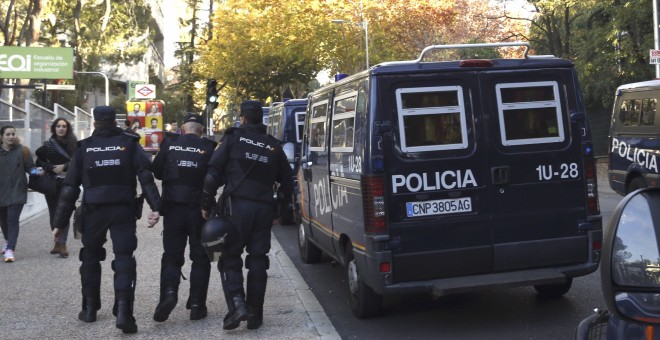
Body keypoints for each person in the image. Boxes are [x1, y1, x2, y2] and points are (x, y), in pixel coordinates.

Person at [51, 106, 161, 334]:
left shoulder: (85, 147)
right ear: (115, 121)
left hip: (94, 211)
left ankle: (90, 309)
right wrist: (156, 207)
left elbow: (70, 187)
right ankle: (124, 312)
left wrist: (59, 223)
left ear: (95, 122)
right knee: (124, 259)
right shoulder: (130, 143)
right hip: (123, 209)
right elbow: (146, 177)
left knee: (90, 256)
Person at [201, 100, 293, 330]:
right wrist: (278, 211)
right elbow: (288, 182)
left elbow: (213, 172)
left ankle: (237, 304)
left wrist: (206, 202)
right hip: (263, 209)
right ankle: (255, 315)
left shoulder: (232, 138)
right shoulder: (273, 146)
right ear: (260, 119)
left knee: (228, 256)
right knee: (258, 260)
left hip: (236, 208)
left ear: (242, 118)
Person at [151, 113, 217, 322]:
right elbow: (215, 178)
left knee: (171, 256)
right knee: (200, 257)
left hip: (173, 210)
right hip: (200, 212)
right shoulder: (209, 147)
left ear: (183, 128)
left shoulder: (170, 143)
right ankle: (197, 304)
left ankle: (169, 294)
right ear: (201, 130)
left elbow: (158, 172)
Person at [0, 125, 44, 262]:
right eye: (8, 134)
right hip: (1, 191)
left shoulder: (23, 151)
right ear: (1, 137)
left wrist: (36, 171)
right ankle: (7, 240)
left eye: (13, 134)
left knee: (12, 221)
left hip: (18, 191)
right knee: (3, 220)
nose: (11, 136)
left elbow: (30, 167)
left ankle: (10, 249)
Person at [35, 118, 78, 258]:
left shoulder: (74, 144)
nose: (61, 128)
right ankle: (57, 242)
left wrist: (64, 166)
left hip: (68, 183)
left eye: (64, 126)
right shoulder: (48, 145)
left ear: (67, 128)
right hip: (52, 183)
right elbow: (38, 160)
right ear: (54, 128)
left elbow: (79, 160)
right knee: (53, 214)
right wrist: (50, 167)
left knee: (64, 213)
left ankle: (63, 244)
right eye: (58, 126)